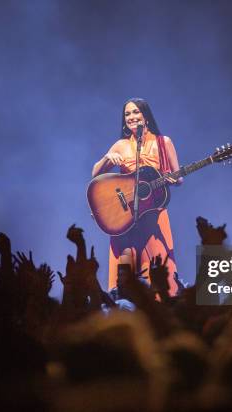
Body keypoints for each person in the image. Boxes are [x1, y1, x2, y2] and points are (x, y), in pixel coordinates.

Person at [92, 98, 182, 297]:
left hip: (153, 214)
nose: (131, 117)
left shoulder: (163, 142)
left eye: (135, 112)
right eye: (127, 114)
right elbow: (95, 174)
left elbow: (178, 176)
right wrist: (107, 159)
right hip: (125, 216)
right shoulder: (121, 145)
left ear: (146, 116)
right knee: (126, 278)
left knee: (160, 272)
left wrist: (174, 180)